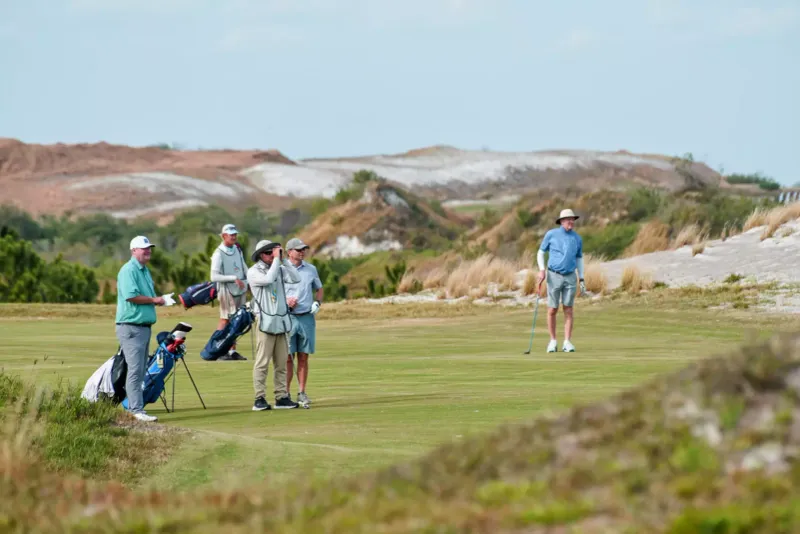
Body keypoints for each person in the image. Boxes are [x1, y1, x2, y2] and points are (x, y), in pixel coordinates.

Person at [115, 235, 175, 422]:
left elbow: (147, 297)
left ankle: (136, 408)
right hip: (131, 327)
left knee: (140, 370)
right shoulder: (128, 270)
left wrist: (160, 300)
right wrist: (156, 300)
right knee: (135, 369)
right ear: (134, 251)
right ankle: (135, 410)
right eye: (143, 248)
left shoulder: (144, 270)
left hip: (143, 327)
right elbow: (131, 296)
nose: (148, 251)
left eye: (149, 248)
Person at [247, 239, 301, 411]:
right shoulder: (254, 271)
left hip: (281, 321)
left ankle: (281, 396)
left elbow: (296, 277)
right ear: (261, 255)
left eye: (274, 251)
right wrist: (277, 260)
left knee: (282, 363)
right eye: (269, 253)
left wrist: (284, 259)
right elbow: (269, 279)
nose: (272, 255)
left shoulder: (279, 266)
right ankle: (259, 398)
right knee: (262, 363)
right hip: (265, 322)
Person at [536, 209, 586, 353]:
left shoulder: (577, 238)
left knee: (568, 309)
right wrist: (541, 270)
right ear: (562, 221)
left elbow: (579, 258)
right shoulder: (551, 234)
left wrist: (581, 277)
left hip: (570, 276)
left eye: (572, 219)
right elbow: (540, 252)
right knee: (552, 309)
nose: (571, 221)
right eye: (568, 219)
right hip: (553, 275)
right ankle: (552, 341)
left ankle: (567, 342)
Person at [284, 238, 323, 408]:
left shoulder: (311, 269)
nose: (302, 252)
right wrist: (285, 301)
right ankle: (285, 393)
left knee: (303, 356)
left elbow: (319, 288)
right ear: (289, 252)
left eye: (303, 249)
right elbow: (273, 292)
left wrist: (317, 303)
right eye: (298, 249)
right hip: (288, 317)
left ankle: (302, 392)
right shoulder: (280, 269)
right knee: (287, 357)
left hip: (307, 317)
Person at [210, 223, 249, 361]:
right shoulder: (218, 253)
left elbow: (244, 267)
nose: (233, 237)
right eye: (230, 234)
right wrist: (233, 278)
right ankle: (218, 350)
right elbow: (214, 276)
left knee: (238, 320)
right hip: (226, 290)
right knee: (225, 320)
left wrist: (250, 281)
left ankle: (232, 352)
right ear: (224, 236)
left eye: (235, 234)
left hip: (240, 289)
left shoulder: (237, 249)